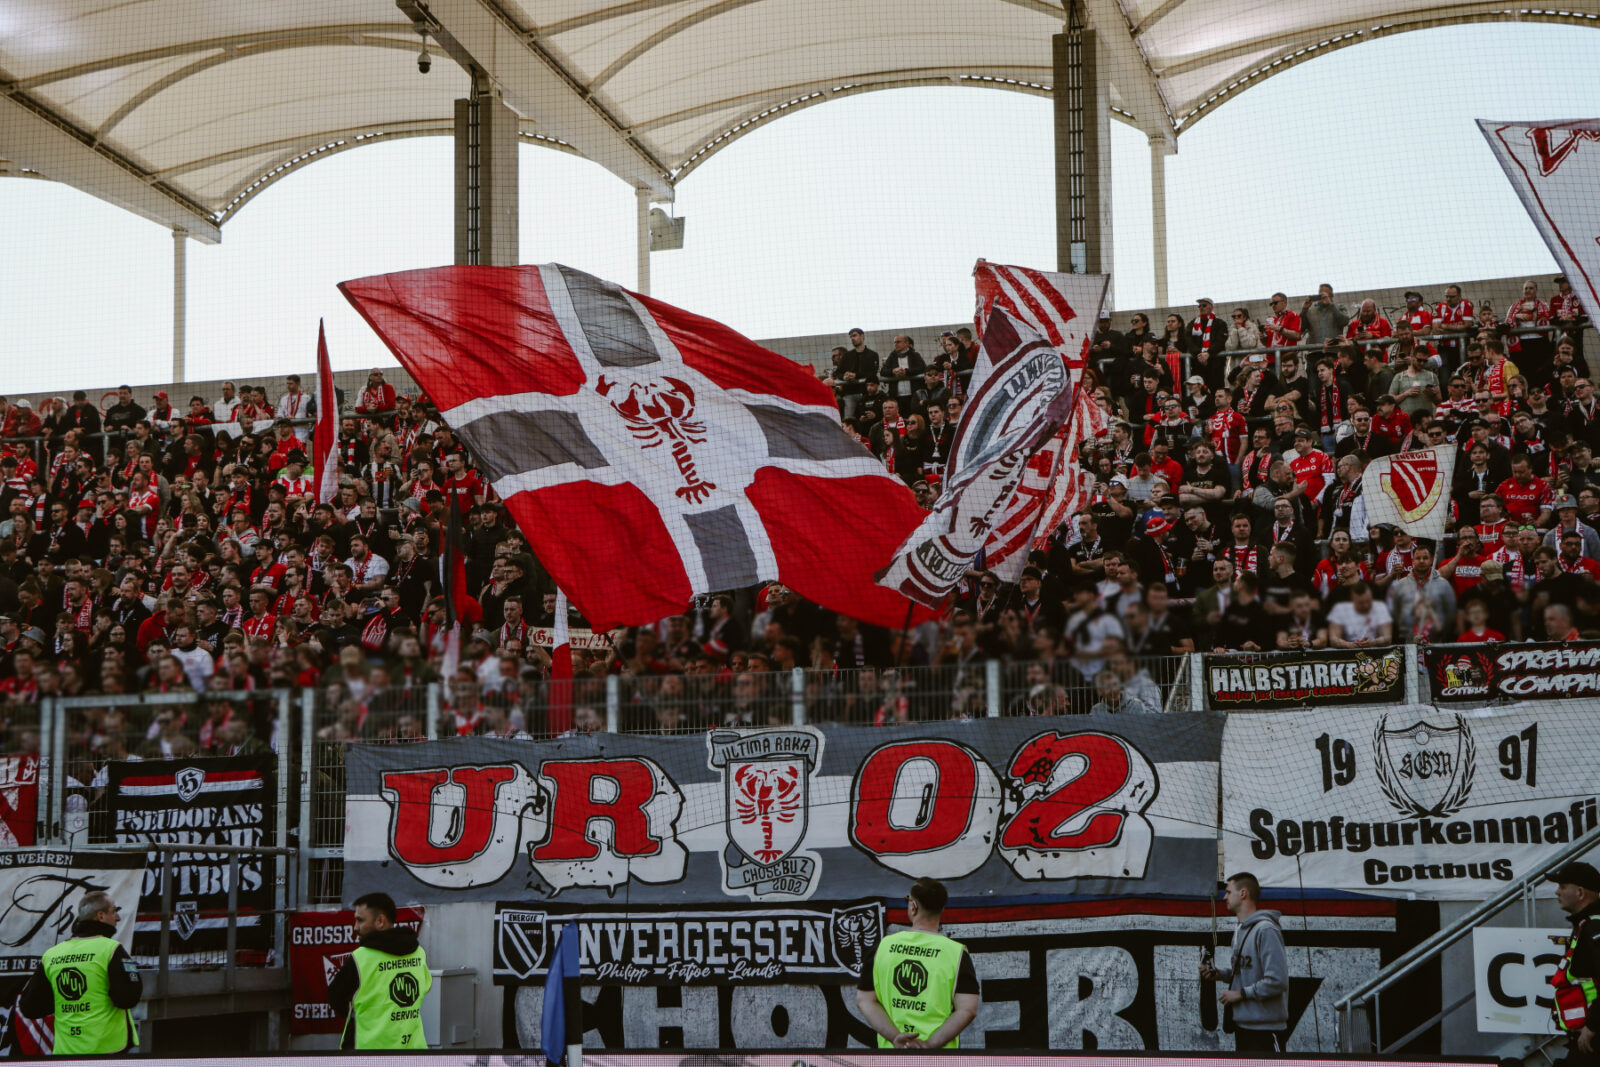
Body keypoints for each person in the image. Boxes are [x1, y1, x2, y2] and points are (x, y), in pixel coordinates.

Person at [856, 877, 980, 1049]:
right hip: (941, 1059)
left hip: (890, 1057)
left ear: (913, 907)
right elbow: (968, 1009)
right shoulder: (957, 953)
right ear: (942, 909)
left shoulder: (883, 947)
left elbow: (865, 1001)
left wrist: (896, 1038)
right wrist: (929, 1045)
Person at [19, 891, 141, 1054]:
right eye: (114, 911)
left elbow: (29, 1007)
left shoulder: (52, 954)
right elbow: (128, 998)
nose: (118, 917)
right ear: (101, 916)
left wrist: (65, 1003)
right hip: (108, 1050)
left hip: (66, 1053)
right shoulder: (111, 949)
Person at [328, 891, 431, 1050]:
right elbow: (426, 986)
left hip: (368, 1054)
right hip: (413, 1052)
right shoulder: (418, 953)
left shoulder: (361, 958)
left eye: (360, 920)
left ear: (380, 921)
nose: (355, 927)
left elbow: (336, 998)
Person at [1200, 872, 1288, 1054]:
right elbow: (1245, 971)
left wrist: (1240, 994)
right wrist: (1220, 974)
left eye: (1228, 892)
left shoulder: (1266, 930)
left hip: (1266, 1030)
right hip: (1243, 1027)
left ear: (1243, 894)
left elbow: (1277, 981)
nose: (1224, 897)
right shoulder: (1240, 930)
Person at [1547, 862, 1600, 1065]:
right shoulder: (1584, 924)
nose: (1557, 892)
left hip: (1593, 1037)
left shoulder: (1594, 927)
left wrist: (1592, 1026)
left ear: (1580, 893)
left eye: (1562, 886)